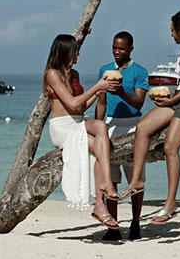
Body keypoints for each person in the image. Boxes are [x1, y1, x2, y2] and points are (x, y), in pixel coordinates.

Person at [121, 10, 180, 224]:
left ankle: (171, 204)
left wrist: (172, 100)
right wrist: (168, 96)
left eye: (173, 30)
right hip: (179, 98)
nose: (171, 34)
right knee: (143, 127)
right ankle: (136, 181)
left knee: (170, 148)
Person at [43, 34, 122, 229]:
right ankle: (101, 201)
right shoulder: (52, 74)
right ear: (65, 51)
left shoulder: (74, 74)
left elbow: (80, 108)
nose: (78, 53)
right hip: (62, 127)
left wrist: (98, 93)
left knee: (101, 126)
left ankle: (104, 189)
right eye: (75, 50)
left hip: (78, 121)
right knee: (98, 148)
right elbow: (70, 103)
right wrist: (96, 86)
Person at [95, 31, 149, 241]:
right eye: (114, 48)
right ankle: (113, 226)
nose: (117, 52)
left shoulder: (140, 72)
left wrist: (120, 94)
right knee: (112, 180)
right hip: (109, 126)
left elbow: (138, 102)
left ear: (130, 49)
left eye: (122, 49)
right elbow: (101, 102)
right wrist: (98, 126)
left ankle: (136, 223)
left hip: (134, 128)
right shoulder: (104, 70)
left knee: (136, 179)